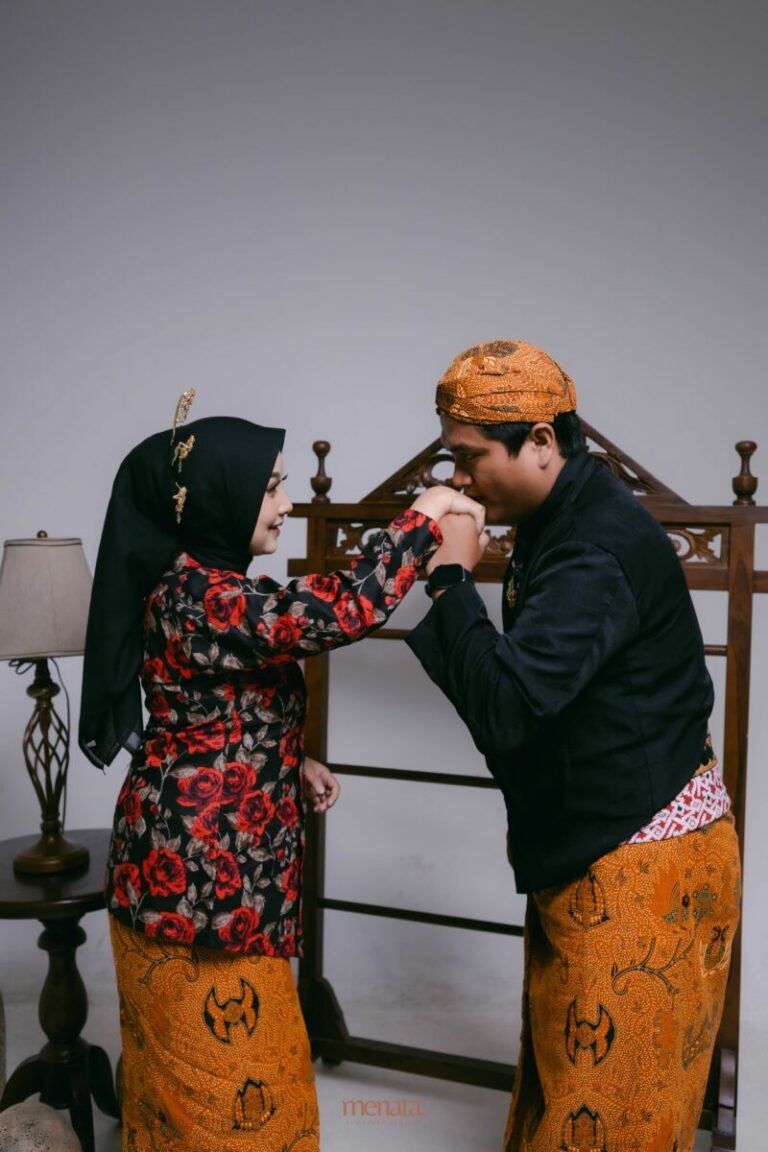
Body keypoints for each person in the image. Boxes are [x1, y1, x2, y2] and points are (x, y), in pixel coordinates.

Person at [78, 398, 485, 1152]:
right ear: (216, 498)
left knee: (230, 1098)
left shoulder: (208, 587)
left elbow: (206, 710)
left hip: (210, 881)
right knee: (224, 1108)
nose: (288, 503)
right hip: (191, 890)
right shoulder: (199, 594)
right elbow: (338, 611)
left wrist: (287, 760)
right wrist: (425, 516)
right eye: (270, 487)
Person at [406, 340, 741, 1152]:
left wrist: (451, 581)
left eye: (470, 457)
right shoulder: (564, 513)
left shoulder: (592, 544)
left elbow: (509, 709)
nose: (459, 480)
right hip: (609, 846)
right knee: (575, 1096)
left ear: (542, 442)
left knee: (609, 1119)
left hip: (644, 862)